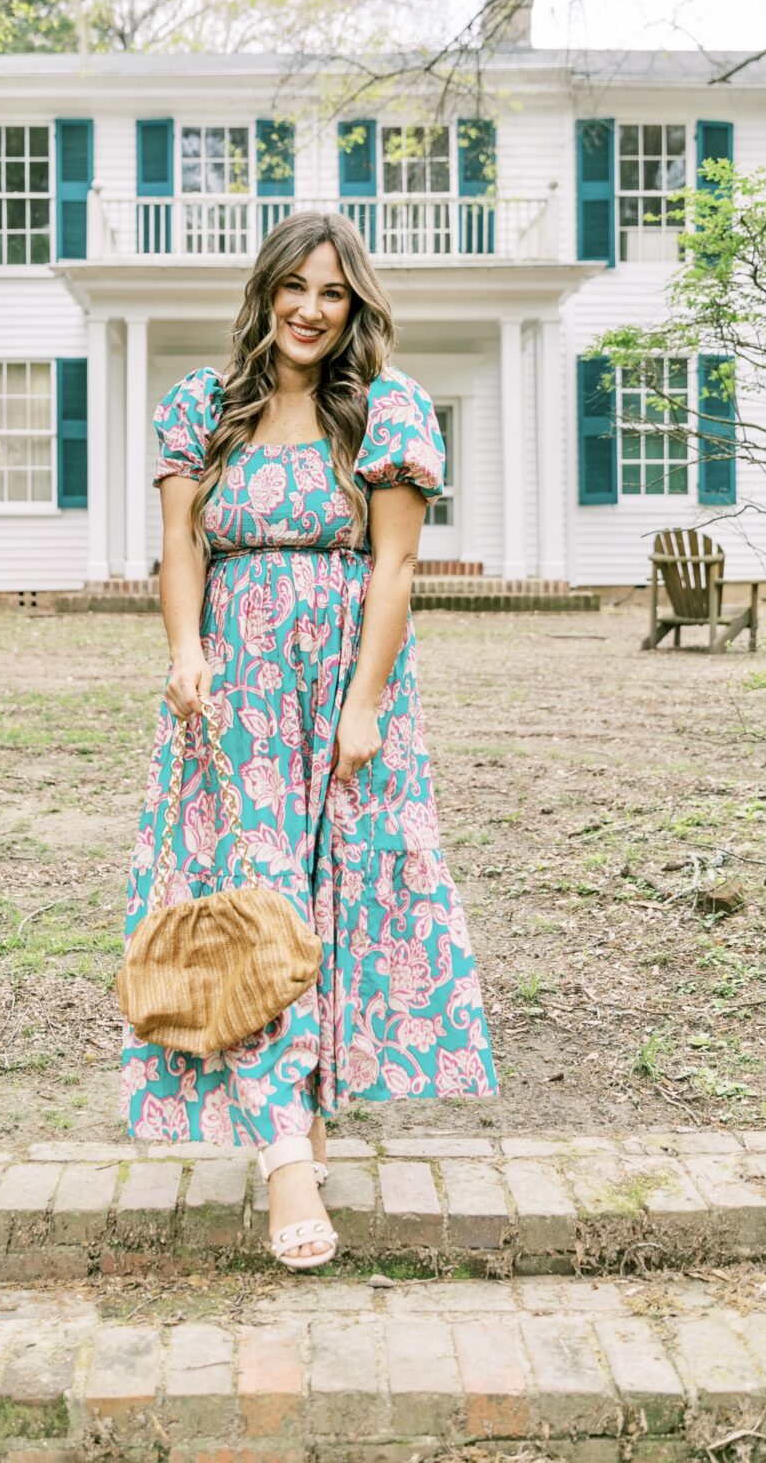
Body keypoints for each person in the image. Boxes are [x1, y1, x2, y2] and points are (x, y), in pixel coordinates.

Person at [120, 210, 497, 1271]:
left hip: (344, 680)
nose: (310, 308)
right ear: (266, 291)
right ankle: (286, 1153)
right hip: (234, 692)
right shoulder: (208, 405)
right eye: (294, 286)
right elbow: (182, 545)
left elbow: (395, 569)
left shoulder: (386, 410)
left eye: (332, 291)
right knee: (259, 896)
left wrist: (365, 703)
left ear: (354, 303)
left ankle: (306, 1105)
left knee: (337, 894)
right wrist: (185, 649)